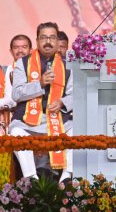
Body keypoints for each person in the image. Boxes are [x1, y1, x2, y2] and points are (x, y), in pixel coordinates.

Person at [9, 22, 73, 182]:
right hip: (28, 121)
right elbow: (16, 94)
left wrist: (63, 102)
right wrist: (40, 83)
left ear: (58, 42)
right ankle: (31, 177)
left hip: (58, 118)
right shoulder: (22, 63)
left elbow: (76, 95)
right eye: (43, 37)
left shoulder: (69, 65)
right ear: (37, 41)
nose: (48, 41)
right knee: (16, 134)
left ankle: (67, 176)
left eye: (52, 37)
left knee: (77, 130)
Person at [0, 34, 32, 110]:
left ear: (31, 50)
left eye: (24, 47)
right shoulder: (7, 71)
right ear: (11, 51)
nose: (20, 50)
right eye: (16, 47)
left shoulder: (38, 69)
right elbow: (11, 99)